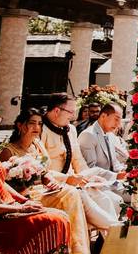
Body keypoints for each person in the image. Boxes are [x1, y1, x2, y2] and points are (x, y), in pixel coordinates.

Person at [0, 98, 72, 254]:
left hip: (6, 208)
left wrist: (23, 201)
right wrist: (15, 207)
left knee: (61, 217)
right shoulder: (7, 149)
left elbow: (1, 183)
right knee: (52, 223)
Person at [0, 109, 93, 254]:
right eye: (32, 123)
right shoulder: (9, 151)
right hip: (24, 195)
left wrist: (51, 182)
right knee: (70, 194)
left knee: (71, 192)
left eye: (40, 124)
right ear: (20, 126)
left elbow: (45, 172)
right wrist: (23, 191)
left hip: (43, 190)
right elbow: (3, 183)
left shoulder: (37, 145)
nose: (37, 127)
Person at [40, 93, 123, 225]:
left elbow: (78, 161)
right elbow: (41, 170)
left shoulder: (71, 129)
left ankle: (108, 242)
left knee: (111, 201)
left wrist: (88, 177)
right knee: (98, 210)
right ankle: (116, 231)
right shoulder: (40, 130)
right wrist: (67, 179)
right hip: (54, 186)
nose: (73, 116)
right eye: (71, 112)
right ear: (56, 111)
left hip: (76, 182)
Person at [78, 103, 129, 198]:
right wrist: (116, 176)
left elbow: (114, 163)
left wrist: (124, 170)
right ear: (103, 116)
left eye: (120, 120)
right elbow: (90, 168)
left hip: (115, 183)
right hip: (99, 185)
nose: (118, 124)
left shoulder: (110, 134)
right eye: (116, 119)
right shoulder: (88, 135)